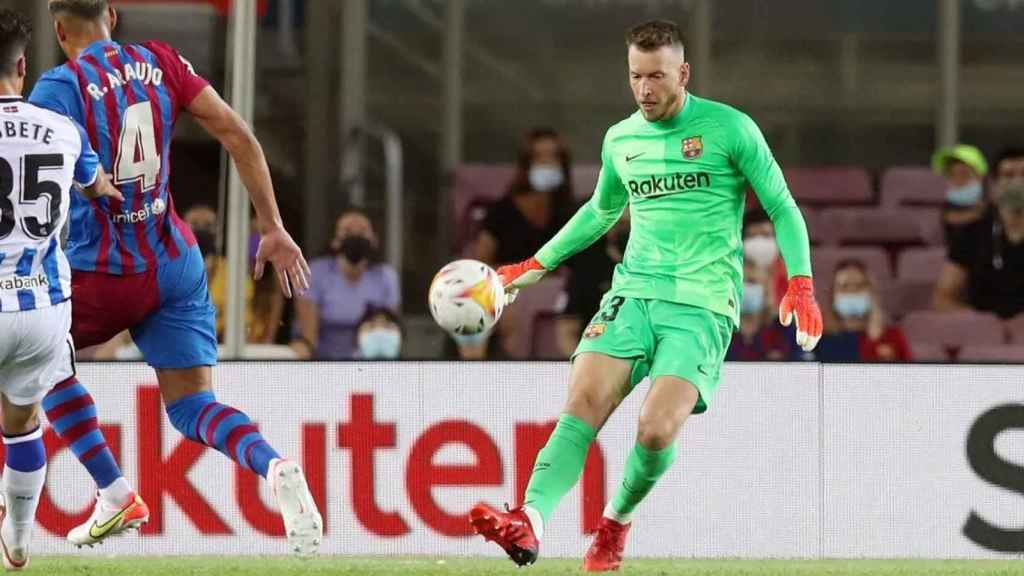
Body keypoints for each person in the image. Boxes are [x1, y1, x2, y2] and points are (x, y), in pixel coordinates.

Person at [468, 20, 821, 571]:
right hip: (633, 293)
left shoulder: (730, 129)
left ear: (682, 72)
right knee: (582, 401)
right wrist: (538, 263)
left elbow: (781, 205)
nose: (645, 89)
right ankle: (529, 520)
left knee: (656, 429)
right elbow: (601, 211)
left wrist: (800, 281)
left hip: (704, 304)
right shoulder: (621, 139)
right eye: (636, 76)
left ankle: (615, 524)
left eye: (656, 76)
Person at [29, 0, 321, 553]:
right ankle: (274, 465)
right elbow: (239, 136)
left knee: (25, 356)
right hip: (172, 264)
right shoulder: (162, 61)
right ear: (112, 16)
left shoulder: (57, 88)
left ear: (59, 28)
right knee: (192, 407)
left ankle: (113, 492)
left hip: (102, 273)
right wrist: (273, 227)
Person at [0, 8, 122, 567]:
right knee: (21, 424)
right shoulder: (62, 128)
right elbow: (102, 189)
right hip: (43, 311)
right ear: (21, 66)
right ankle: (19, 540)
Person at [458, 128, 575, 359]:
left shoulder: (572, 213)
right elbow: (481, 263)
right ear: (526, 164)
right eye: (539, 157)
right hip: (510, 295)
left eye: (553, 157)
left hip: (562, 302)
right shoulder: (502, 213)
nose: (547, 164)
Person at [293, 208, 400, 359]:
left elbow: (388, 333)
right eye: (347, 231)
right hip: (323, 360)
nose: (355, 236)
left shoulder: (385, 276)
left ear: (374, 239)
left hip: (368, 361)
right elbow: (308, 339)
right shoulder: (314, 272)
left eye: (362, 231)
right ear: (335, 241)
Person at [184, 205, 284, 344]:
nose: (201, 230)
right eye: (194, 224)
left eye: (208, 225)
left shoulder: (234, 273)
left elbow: (244, 326)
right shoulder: (171, 270)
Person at [934, 176, 1024, 319]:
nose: (1018, 182)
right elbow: (942, 300)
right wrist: (982, 324)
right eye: (1008, 175)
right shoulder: (971, 234)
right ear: (994, 187)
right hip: (983, 331)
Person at [555, 214, 629, 358]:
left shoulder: (664, 268)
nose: (624, 230)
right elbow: (566, 331)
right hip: (596, 358)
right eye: (619, 224)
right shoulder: (585, 268)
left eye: (628, 224)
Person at [815, 260, 912, 362]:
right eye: (844, 286)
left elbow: (910, 375)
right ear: (832, 294)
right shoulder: (817, 339)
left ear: (871, 292)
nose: (852, 291)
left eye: (859, 285)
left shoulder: (893, 337)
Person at [726, 260, 799, 361]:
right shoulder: (720, 329)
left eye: (752, 281)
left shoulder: (783, 330)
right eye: (739, 282)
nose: (745, 287)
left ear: (766, 288)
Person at [931, 144, 989, 243]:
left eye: (963, 164)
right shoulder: (939, 198)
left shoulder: (987, 198)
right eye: (954, 164)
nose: (958, 168)